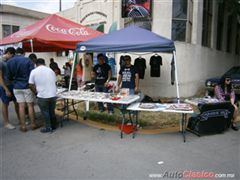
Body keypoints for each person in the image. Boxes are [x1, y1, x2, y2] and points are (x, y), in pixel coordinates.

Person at [7, 47, 38, 132]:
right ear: (23, 53)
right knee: (30, 106)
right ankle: (33, 124)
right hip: (26, 86)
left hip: (16, 86)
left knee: (20, 106)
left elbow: (8, 76)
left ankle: (23, 126)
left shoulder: (9, 61)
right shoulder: (27, 60)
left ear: (16, 53)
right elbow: (32, 74)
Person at [29, 58, 57, 133]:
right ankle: (54, 126)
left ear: (36, 64)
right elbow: (55, 81)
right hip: (53, 94)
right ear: (44, 63)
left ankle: (48, 127)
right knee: (51, 111)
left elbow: (31, 84)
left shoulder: (34, 71)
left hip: (42, 95)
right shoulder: (50, 70)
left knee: (45, 112)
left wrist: (35, 92)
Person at [0, 47, 19, 129]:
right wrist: (6, 89)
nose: (13, 58)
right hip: (4, 85)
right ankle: (6, 122)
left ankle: (20, 119)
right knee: (5, 103)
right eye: (12, 55)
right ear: (9, 53)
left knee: (16, 102)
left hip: (12, 84)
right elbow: (0, 78)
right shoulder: (1, 62)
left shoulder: (9, 61)